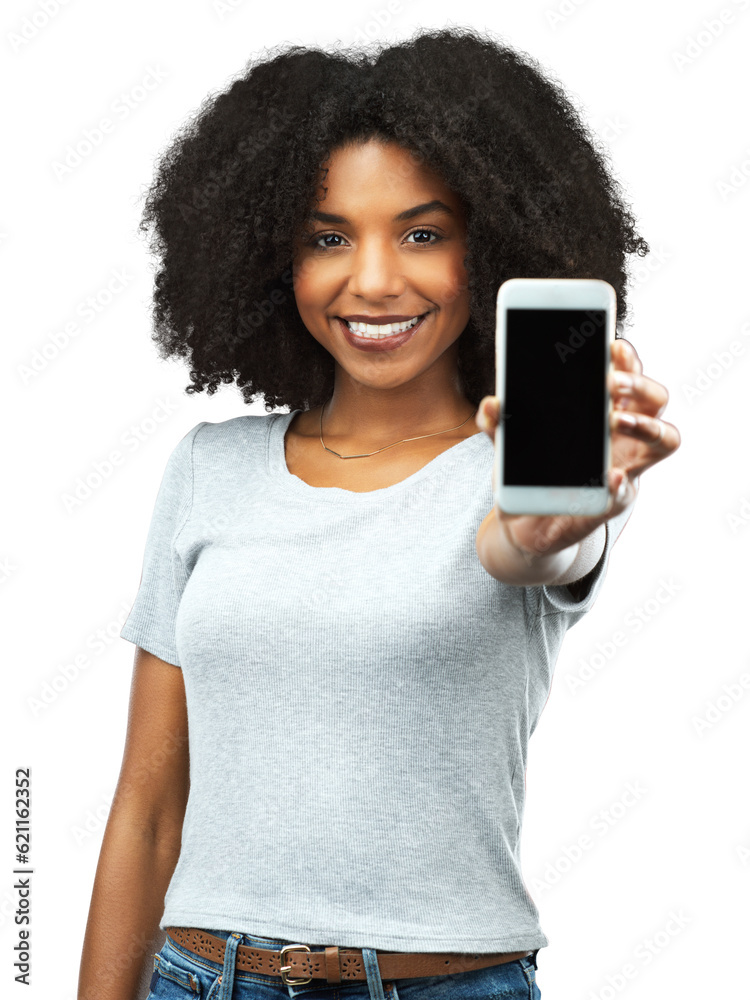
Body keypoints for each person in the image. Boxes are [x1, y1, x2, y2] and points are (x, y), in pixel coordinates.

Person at [77, 26, 680, 1000]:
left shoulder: (521, 477)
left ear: (490, 247)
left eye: (422, 231)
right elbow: (147, 807)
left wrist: (555, 519)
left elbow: (534, 547)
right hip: (200, 983)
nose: (372, 279)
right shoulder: (208, 472)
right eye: (328, 236)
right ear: (275, 260)